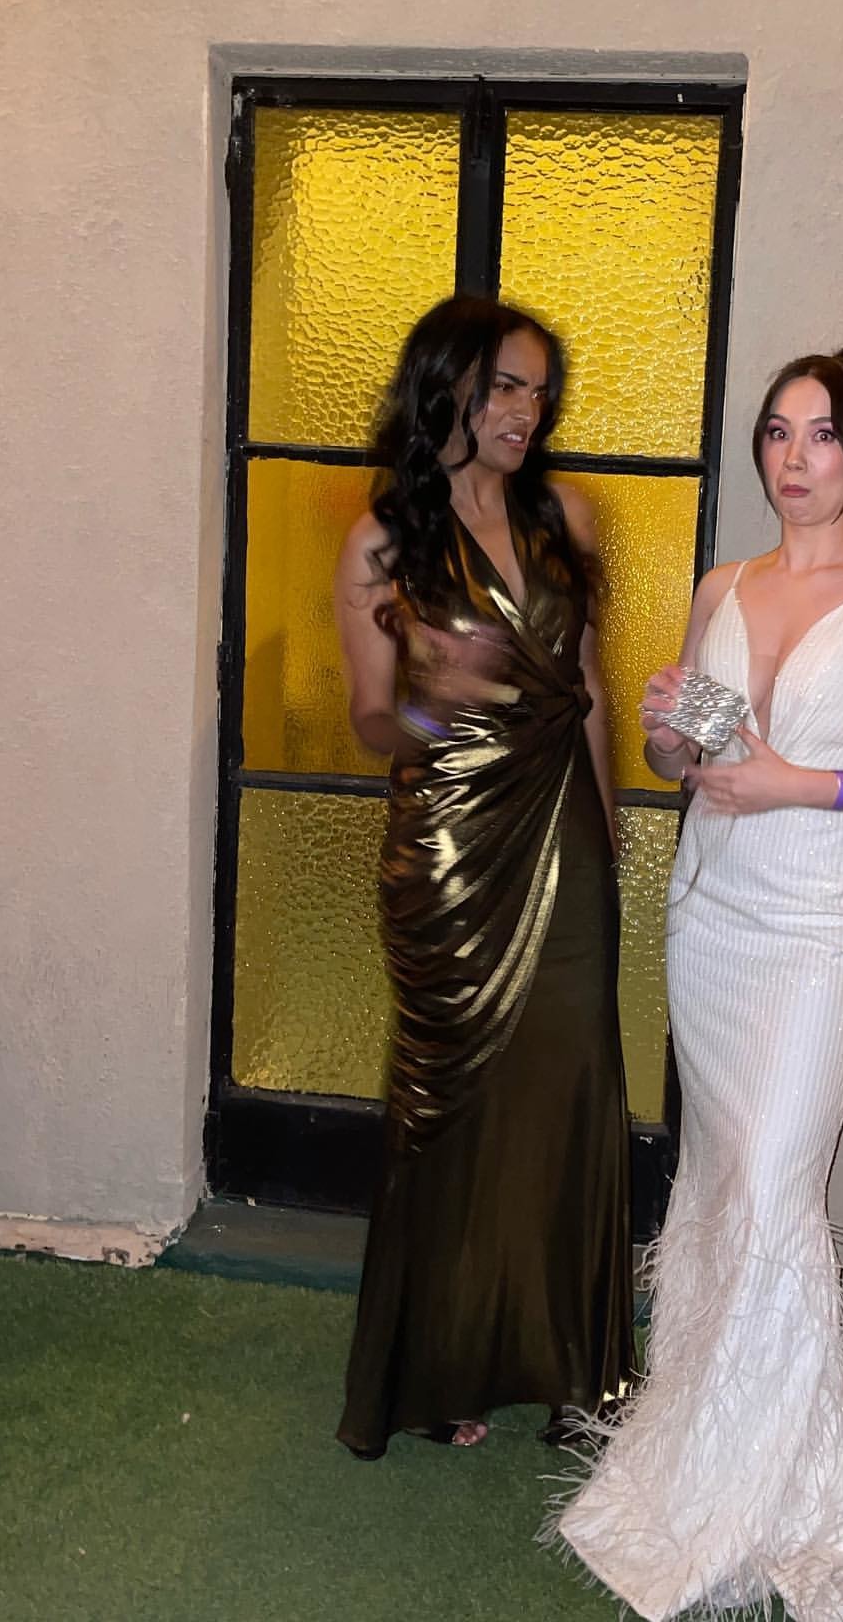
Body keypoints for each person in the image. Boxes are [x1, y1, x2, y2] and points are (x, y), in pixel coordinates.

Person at [553, 342, 843, 1619]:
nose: (795, 457)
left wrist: (801, 781)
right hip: (713, 914)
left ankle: (778, 1494)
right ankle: (704, 1443)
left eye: (823, 434)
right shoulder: (722, 584)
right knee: (724, 1178)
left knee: (778, 1182)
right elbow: (678, 758)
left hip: (818, 921)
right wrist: (668, 729)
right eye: (778, 432)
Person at [333, 296, 634, 1459]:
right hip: (451, 853)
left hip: (563, 833)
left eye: (539, 391)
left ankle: (575, 1371)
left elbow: (590, 685)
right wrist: (434, 699)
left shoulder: (567, 515)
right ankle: (447, 1363)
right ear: (447, 388)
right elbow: (370, 718)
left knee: (571, 1094)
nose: (527, 411)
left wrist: (607, 836)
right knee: (452, 1110)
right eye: (506, 386)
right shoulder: (381, 542)